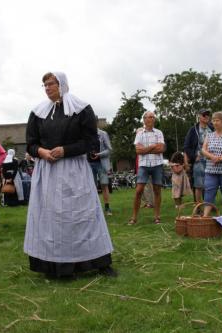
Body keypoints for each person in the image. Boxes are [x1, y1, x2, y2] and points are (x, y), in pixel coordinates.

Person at [24, 72, 115, 279]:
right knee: (51, 219)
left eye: (51, 84)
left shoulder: (81, 109)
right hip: (48, 172)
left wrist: (66, 150)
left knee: (82, 216)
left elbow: (92, 142)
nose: (47, 88)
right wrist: (41, 152)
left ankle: (97, 261)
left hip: (75, 170)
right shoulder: (38, 112)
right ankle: (56, 267)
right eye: (44, 85)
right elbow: (31, 142)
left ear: (62, 84)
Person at [129, 111, 165, 225]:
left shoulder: (159, 132)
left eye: (153, 117)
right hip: (143, 165)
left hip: (157, 164)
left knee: (157, 191)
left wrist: (145, 149)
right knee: (139, 190)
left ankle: (157, 217)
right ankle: (134, 217)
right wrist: (153, 146)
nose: (151, 119)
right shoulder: (139, 133)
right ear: (144, 120)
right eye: (148, 117)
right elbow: (138, 151)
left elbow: (161, 149)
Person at [184, 109, 214, 203]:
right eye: (204, 115)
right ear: (199, 116)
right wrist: (193, 157)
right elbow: (186, 146)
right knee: (199, 185)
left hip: (211, 160)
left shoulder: (212, 128)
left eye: (208, 115)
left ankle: (209, 205)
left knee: (211, 184)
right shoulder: (193, 129)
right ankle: (199, 207)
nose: (206, 117)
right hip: (199, 160)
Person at [88, 118, 113, 216]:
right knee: (91, 187)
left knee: (104, 185)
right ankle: (95, 208)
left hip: (101, 164)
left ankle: (107, 208)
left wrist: (99, 154)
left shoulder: (103, 134)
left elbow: (109, 150)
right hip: (89, 164)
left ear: (96, 123)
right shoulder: (86, 135)